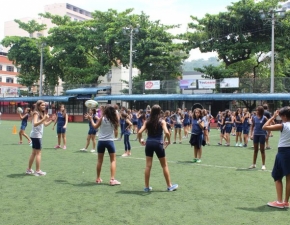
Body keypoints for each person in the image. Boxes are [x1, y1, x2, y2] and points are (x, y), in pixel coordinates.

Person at [137, 104, 178, 192]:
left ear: (151, 111)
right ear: (160, 112)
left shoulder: (147, 121)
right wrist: (169, 141)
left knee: (148, 166)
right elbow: (167, 133)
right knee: (164, 165)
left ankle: (147, 187)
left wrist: (140, 140)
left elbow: (139, 131)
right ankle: (169, 186)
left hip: (149, 144)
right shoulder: (162, 121)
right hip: (158, 144)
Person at [262, 107, 290, 209]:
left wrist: (272, 117)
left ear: (285, 116)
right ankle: (286, 202)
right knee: (289, 178)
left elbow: (265, 127)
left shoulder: (283, 125)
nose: (280, 118)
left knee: (277, 176)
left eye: (281, 116)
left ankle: (279, 201)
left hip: (283, 152)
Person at [88, 105, 120, 185]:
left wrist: (91, 119)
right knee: (113, 160)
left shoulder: (102, 119)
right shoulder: (114, 120)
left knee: (99, 161)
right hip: (110, 142)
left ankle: (98, 178)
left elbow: (95, 126)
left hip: (101, 141)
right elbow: (116, 134)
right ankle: (112, 180)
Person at [26, 100, 56, 176]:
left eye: (44, 105)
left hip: (35, 135)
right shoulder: (36, 113)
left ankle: (29, 169)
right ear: (38, 106)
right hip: (36, 136)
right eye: (42, 105)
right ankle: (38, 171)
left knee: (33, 153)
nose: (44, 106)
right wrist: (44, 118)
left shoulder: (41, 113)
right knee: (38, 153)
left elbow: (45, 124)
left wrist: (51, 120)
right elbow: (35, 124)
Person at [249, 106, 268, 170]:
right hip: (256, 135)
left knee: (262, 150)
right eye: (256, 110)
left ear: (261, 111)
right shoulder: (254, 118)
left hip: (262, 135)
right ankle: (254, 164)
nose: (256, 111)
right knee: (255, 150)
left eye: (258, 110)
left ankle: (263, 165)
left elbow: (269, 124)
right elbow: (252, 126)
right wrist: (251, 134)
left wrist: (268, 135)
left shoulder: (264, 118)